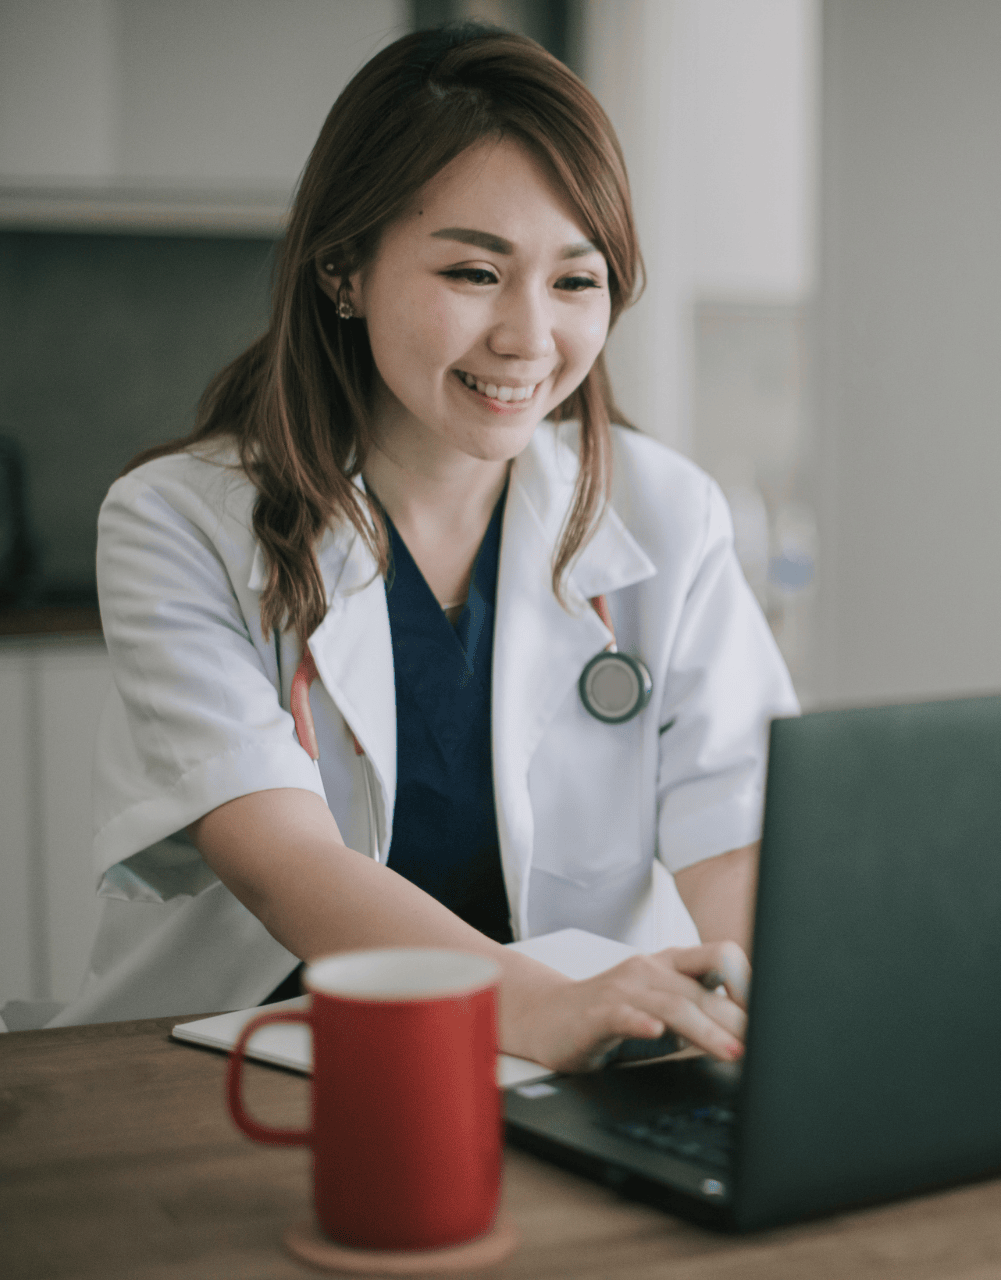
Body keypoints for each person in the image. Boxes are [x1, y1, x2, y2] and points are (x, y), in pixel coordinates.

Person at [46, 26, 797, 1073]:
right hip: (250, 1062)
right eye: (475, 270)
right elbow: (281, 860)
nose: (528, 336)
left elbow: (739, 834)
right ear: (344, 269)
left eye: (574, 282)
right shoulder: (175, 521)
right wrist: (531, 1006)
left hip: (563, 1069)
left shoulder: (667, 512)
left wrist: (773, 1018)